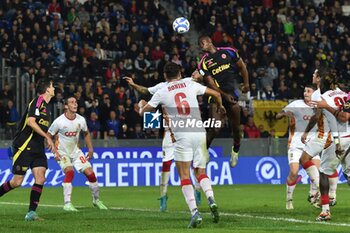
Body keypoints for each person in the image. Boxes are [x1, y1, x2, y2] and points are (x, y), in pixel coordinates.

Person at [138, 62, 224, 228]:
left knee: (184, 176)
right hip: (199, 132)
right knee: (200, 171)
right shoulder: (190, 83)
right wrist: (220, 107)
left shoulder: (162, 91)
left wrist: (140, 107)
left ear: (165, 76)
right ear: (179, 73)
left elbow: (145, 112)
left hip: (182, 135)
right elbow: (216, 94)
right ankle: (211, 199)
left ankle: (195, 213)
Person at [125, 70, 203, 212]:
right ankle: (163, 196)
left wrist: (200, 73)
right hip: (170, 132)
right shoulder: (163, 86)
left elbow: (199, 77)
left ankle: (197, 190)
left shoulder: (185, 82)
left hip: (185, 129)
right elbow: (145, 90)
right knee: (167, 163)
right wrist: (133, 84)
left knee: (193, 162)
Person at [0, 78, 56, 221]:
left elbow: (41, 127)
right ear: (47, 89)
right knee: (16, 182)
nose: (54, 88)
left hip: (38, 149)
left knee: (41, 178)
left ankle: (31, 213)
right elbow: (31, 122)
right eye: (52, 86)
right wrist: (47, 137)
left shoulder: (47, 108)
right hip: (25, 146)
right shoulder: (37, 102)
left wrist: (49, 138)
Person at [48, 96, 108, 211]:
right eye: (72, 102)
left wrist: (90, 149)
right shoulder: (59, 122)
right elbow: (48, 136)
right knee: (69, 172)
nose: (75, 104)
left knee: (91, 174)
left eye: (76, 102)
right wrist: (54, 151)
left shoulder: (81, 120)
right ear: (66, 106)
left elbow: (86, 133)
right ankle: (67, 204)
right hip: (62, 152)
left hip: (76, 152)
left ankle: (96, 200)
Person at [197, 35, 249, 167]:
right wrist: (224, 96)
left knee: (236, 128)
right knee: (215, 128)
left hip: (231, 94)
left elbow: (242, 67)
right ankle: (204, 151)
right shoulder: (203, 62)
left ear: (209, 41)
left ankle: (235, 150)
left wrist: (246, 84)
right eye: (200, 45)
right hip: (215, 96)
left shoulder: (229, 51)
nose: (201, 47)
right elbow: (211, 83)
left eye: (202, 44)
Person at [300, 68, 343, 221]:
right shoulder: (341, 93)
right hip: (338, 134)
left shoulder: (320, 95)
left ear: (320, 78)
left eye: (314, 74)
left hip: (325, 134)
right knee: (335, 168)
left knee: (312, 164)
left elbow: (318, 115)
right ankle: (330, 195)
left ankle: (323, 195)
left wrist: (305, 132)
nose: (312, 76)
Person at [276, 84, 319, 210]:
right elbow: (278, 115)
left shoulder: (318, 107)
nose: (305, 93)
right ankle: (289, 200)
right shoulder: (296, 104)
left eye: (309, 91)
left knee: (316, 173)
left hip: (312, 146)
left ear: (315, 93)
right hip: (296, 145)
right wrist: (285, 114)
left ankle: (312, 196)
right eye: (305, 91)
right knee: (294, 172)